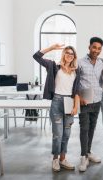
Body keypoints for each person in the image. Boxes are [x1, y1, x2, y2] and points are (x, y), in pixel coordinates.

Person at [33, 44, 80, 172]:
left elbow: (77, 91)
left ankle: (63, 159)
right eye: (67, 53)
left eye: (72, 54)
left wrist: (76, 106)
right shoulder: (54, 66)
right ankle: (55, 159)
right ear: (64, 54)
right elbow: (36, 56)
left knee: (66, 134)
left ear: (74, 56)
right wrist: (52, 48)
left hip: (70, 102)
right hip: (57, 102)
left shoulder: (76, 70)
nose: (70, 55)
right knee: (57, 134)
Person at [77, 37, 103, 172]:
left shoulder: (101, 63)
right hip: (85, 99)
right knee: (84, 128)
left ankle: (88, 152)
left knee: (92, 128)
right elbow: (74, 81)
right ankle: (83, 156)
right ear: (89, 47)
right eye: (94, 47)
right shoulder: (80, 62)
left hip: (97, 99)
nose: (96, 50)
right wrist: (79, 96)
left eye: (99, 49)